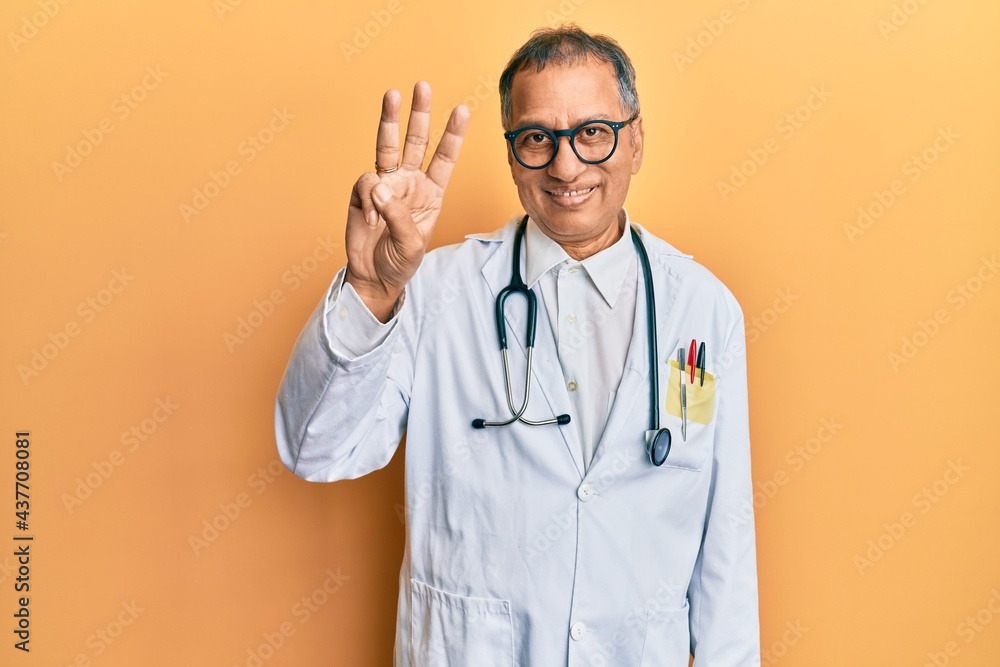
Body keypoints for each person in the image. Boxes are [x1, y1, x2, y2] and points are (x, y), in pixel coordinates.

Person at [275, 24, 759, 666]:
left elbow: (725, 542)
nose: (565, 166)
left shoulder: (703, 308)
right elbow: (316, 450)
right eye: (537, 138)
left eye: (593, 132)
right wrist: (371, 290)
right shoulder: (432, 291)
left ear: (635, 141)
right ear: (510, 154)